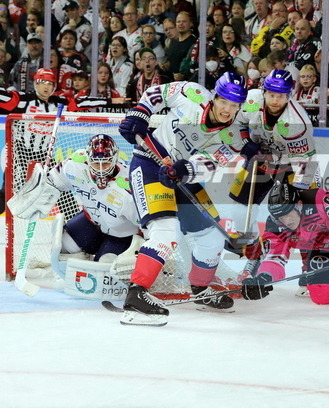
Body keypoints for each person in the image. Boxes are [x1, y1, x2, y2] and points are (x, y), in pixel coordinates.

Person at [117, 73, 248, 326]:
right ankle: (136, 296)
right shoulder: (191, 93)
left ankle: (200, 290)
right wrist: (140, 113)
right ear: (214, 96)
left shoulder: (233, 137)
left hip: (183, 177)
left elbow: (210, 164)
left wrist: (187, 169)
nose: (227, 109)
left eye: (234, 105)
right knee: (165, 232)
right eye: (224, 102)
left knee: (212, 237)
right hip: (148, 164)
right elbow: (156, 93)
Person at [9, 134, 140, 262]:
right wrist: (38, 196)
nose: (100, 170)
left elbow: (146, 223)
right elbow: (52, 183)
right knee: (62, 246)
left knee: (106, 265)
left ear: (115, 158)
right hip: (91, 222)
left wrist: (142, 246)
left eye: (105, 163)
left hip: (122, 235)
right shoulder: (75, 164)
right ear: (88, 158)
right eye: (95, 163)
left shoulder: (129, 185)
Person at [232, 68, 317, 239]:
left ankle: (311, 246)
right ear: (263, 92)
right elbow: (234, 122)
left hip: (291, 165)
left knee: (306, 211)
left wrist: (297, 190)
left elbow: (306, 162)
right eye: (271, 95)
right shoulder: (252, 100)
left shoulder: (296, 122)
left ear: (289, 96)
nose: (275, 100)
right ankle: (249, 243)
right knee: (240, 207)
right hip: (260, 157)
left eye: (280, 96)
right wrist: (245, 141)